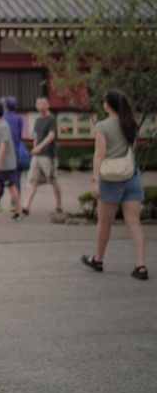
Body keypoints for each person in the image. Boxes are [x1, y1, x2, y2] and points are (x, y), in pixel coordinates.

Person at [81, 89, 147, 280]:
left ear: (107, 105)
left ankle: (98, 259)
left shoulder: (102, 126)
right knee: (134, 223)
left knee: (105, 222)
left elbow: (100, 154)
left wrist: (95, 180)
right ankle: (140, 266)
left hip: (110, 180)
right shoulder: (130, 124)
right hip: (131, 176)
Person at [20, 95, 62, 216]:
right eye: (38, 104)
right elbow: (36, 136)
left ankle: (59, 206)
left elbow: (51, 135)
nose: (40, 106)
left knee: (53, 180)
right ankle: (26, 206)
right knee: (32, 180)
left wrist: (39, 147)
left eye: (42, 103)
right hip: (37, 155)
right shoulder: (38, 120)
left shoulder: (51, 119)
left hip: (48, 155)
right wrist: (34, 148)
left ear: (47, 104)